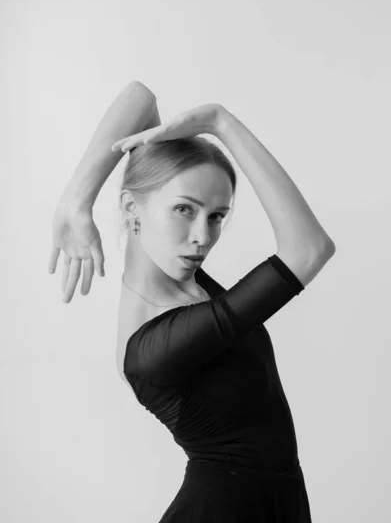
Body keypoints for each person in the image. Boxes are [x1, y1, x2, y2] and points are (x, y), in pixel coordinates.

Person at [48, 80, 336, 521]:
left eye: (217, 215)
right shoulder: (157, 347)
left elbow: (139, 99)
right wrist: (220, 121)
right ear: (131, 209)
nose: (202, 237)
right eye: (185, 209)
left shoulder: (181, 278)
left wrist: (78, 200)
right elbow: (309, 248)